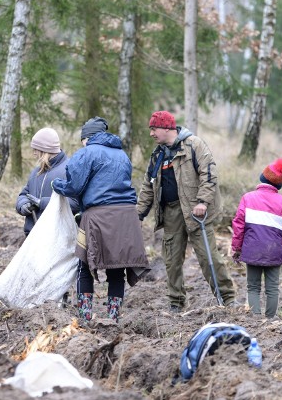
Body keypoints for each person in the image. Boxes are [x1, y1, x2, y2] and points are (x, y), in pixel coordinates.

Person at [52, 117, 149, 323]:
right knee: (117, 269)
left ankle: (85, 318)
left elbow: (74, 187)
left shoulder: (87, 153)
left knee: (84, 265)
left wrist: (57, 185)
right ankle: (113, 319)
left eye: (82, 140)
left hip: (98, 216)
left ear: (87, 137)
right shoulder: (122, 154)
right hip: (126, 216)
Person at [137, 110, 236, 312]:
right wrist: (138, 215)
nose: (151, 134)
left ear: (166, 128)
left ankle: (227, 299)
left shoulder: (194, 145)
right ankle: (176, 302)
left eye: (154, 129)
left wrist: (202, 202)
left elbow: (209, 174)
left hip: (196, 211)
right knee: (171, 260)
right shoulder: (158, 155)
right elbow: (148, 186)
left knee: (209, 258)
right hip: (171, 212)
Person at [231, 158, 282, 319]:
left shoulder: (248, 198)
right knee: (272, 288)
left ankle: (255, 317)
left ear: (262, 177)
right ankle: (271, 319)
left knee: (253, 286)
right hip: (274, 250)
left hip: (252, 250)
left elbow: (238, 225)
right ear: (279, 185)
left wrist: (237, 248)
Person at [16, 127, 79, 236]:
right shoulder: (36, 172)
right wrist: (23, 205)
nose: (34, 153)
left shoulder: (70, 170)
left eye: (36, 149)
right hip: (33, 236)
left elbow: (75, 203)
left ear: (45, 150)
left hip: (56, 238)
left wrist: (42, 203)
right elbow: (24, 194)